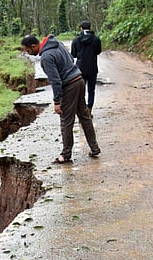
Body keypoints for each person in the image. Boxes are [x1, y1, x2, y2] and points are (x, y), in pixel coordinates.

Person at [21, 33, 100, 164]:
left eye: (28, 50)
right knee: (84, 116)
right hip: (79, 80)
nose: (29, 54)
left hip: (70, 85)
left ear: (34, 46)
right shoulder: (57, 44)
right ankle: (94, 148)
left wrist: (57, 102)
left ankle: (66, 155)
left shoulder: (46, 57)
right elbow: (70, 58)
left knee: (66, 120)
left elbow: (56, 81)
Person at [71, 21, 102, 111]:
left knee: (81, 91)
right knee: (91, 90)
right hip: (92, 68)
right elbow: (98, 51)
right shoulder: (96, 39)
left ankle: (82, 109)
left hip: (80, 69)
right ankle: (89, 108)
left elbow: (73, 54)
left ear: (81, 28)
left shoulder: (76, 39)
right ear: (90, 27)